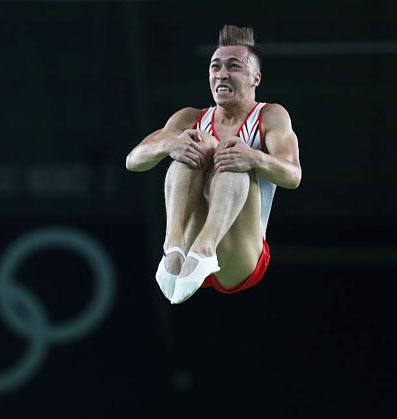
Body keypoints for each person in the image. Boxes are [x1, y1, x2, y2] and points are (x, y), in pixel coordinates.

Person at [125, 24, 302, 304]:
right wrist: (169, 145)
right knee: (190, 146)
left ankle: (206, 248)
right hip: (188, 250)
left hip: (240, 254)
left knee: (231, 155)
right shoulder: (189, 118)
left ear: (256, 77)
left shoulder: (271, 116)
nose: (222, 73)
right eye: (215, 66)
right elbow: (133, 160)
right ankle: (173, 248)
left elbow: (293, 176)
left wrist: (253, 156)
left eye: (234, 66)